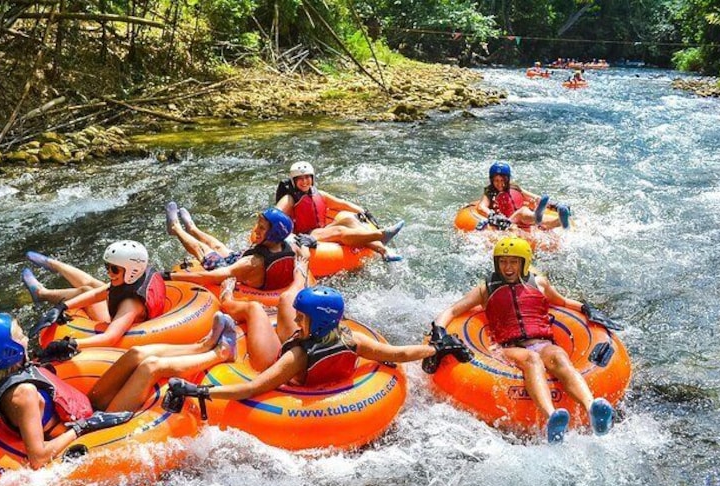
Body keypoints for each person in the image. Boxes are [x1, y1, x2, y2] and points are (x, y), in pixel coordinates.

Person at [161, 244, 473, 408]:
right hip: (312, 356)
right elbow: (399, 352)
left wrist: (197, 391)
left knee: (256, 309)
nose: (298, 321)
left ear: (318, 320)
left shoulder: (294, 358)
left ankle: (228, 300)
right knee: (286, 300)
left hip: (276, 366)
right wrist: (438, 347)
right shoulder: (353, 341)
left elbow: (253, 387)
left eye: (303, 318)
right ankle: (301, 263)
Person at [0, 311, 236, 469]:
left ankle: (202, 345)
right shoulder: (24, 395)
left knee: (136, 353)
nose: (26, 336)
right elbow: (39, 457)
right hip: (94, 427)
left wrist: (45, 356)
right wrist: (82, 428)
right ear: (8, 350)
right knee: (150, 368)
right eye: (19, 335)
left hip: (81, 408)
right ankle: (220, 355)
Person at [431, 236, 622, 443]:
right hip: (509, 347)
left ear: (524, 263)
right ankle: (551, 417)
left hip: (543, 342)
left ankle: (592, 407)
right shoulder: (486, 289)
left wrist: (586, 308)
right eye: (503, 262)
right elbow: (452, 310)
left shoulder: (539, 284)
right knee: (532, 359)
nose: (508, 267)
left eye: (513, 262)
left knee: (559, 356)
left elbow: (562, 301)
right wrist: (439, 331)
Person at [22, 240, 166, 350]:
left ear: (131, 271)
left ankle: (41, 293)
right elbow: (98, 294)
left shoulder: (130, 304)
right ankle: (54, 264)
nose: (109, 273)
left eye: (114, 269)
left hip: (120, 324)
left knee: (85, 290)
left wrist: (70, 344)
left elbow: (109, 338)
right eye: (107, 266)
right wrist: (62, 306)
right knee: (91, 285)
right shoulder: (135, 276)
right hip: (125, 311)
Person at [274, 161, 405, 262]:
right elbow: (275, 214)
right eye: (300, 179)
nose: (304, 181)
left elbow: (341, 203)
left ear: (312, 178)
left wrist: (363, 211)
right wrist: (287, 237)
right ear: (294, 181)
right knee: (339, 231)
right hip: (304, 236)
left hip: (321, 230)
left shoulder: (320, 194)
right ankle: (381, 235)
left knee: (348, 220)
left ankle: (384, 250)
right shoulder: (289, 198)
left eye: (307, 177)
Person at [164, 204, 297, 291]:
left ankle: (175, 228)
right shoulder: (290, 248)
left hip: (233, 272)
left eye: (261, 228)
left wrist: (169, 276)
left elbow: (210, 277)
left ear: (274, 234)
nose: (256, 229)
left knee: (203, 249)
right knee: (218, 246)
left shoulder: (252, 264)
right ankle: (192, 228)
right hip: (243, 264)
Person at [477, 161, 571, 231]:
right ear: (491, 180)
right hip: (506, 222)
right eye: (496, 180)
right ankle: (537, 217)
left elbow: (535, 198)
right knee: (523, 211)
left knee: (531, 212)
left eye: (502, 180)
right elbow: (481, 207)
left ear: (507, 179)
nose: (499, 184)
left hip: (523, 220)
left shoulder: (514, 187)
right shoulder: (490, 192)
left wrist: (555, 206)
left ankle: (560, 221)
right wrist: (493, 217)